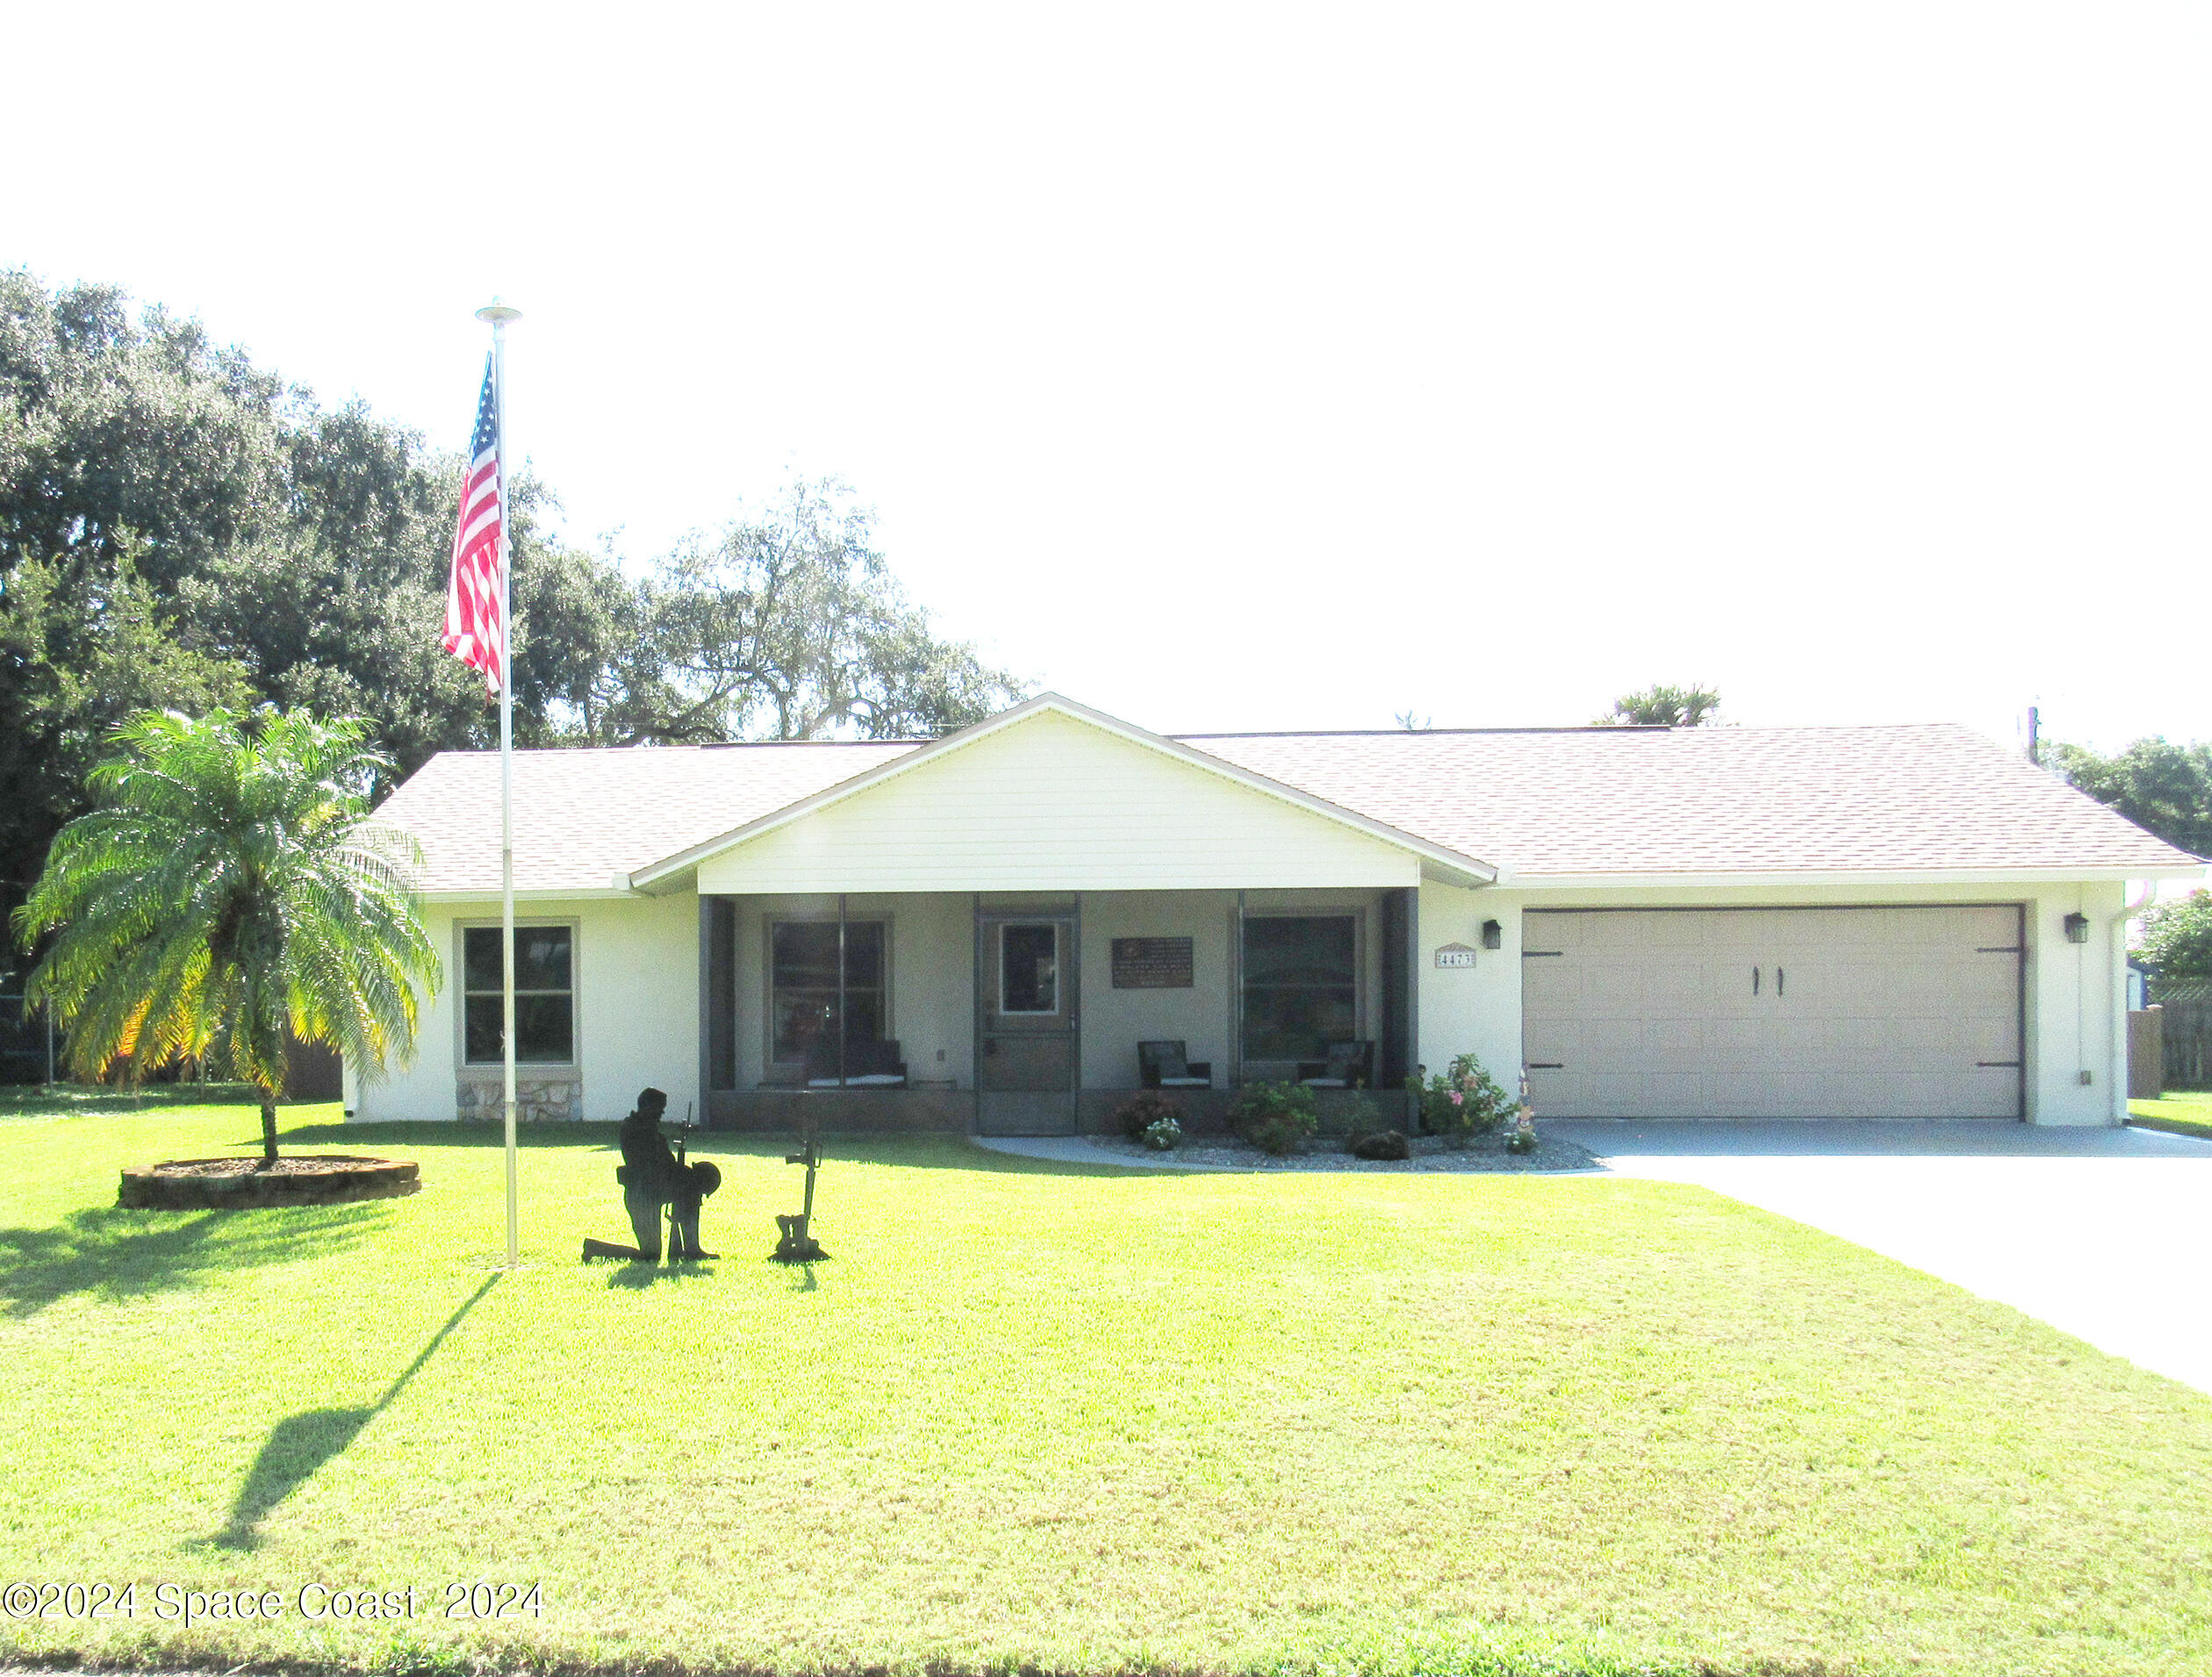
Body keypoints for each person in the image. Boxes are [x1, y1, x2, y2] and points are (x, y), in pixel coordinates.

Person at [617, 1087, 719, 1261]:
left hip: (652, 1190)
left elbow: (663, 1165)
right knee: (650, 1255)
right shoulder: (637, 1130)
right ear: (648, 1107)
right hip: (642, 1195)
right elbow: (653, 1166)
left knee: (690, 1190)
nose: (661, 1113)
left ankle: (692, 1249)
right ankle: (597, 1248)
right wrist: (682, 1173)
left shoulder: (646, 1129)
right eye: (659, 1109)